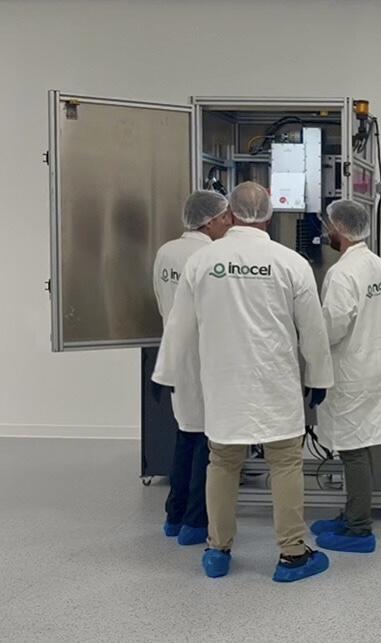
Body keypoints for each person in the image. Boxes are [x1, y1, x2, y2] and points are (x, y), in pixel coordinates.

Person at [152, 182, 335, 582]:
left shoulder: (203, 261)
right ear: (268, 216)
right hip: (276, 381)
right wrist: (320, 377)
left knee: (222, 463)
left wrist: (165, 374)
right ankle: (292, 555)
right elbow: (313, 330)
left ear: (230, 215)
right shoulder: (290, 261)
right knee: (285, 463)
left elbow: (180, 324)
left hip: (223, 382)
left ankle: (218, 551)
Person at [310, 200, 381, 553]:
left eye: (329, 226)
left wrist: (307, 339)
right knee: (360, 445)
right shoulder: (380, 266)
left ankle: (359, 530)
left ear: (341, 230)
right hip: (375, 368)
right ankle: (352, 513)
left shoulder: (342, 273)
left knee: (352, 450)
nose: (326, 232)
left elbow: (332, 325)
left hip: (352, 373)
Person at [152, 190, 231, 546]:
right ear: (210, 221)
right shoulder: (210, 256)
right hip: (205, 356)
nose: (230, 222)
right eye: (226, 216)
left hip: (175, 354)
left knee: (185, 434)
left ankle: (174, 515)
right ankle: (196, 524)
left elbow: (162, 303)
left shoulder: (166, 251)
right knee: (206, 442)